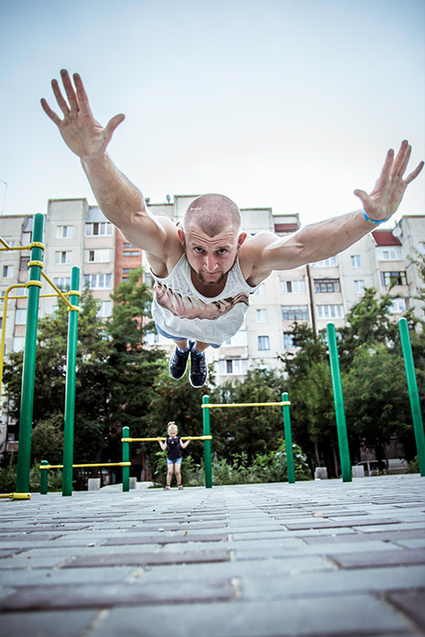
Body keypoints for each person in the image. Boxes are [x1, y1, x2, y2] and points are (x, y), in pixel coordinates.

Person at [41, 70, 424, 389]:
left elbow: (304, 246)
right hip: (171, 318)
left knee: (208, 334)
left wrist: (370, 219)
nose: (209, 265)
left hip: (219, 327)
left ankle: (198, 352)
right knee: (179, 333)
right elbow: (130, 216)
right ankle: (180, 349)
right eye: (199, 250)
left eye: (222, 251)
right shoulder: (167, 248)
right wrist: (94, 158)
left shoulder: (252, 257)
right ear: (182, 237)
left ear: (239, 242)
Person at [158, 422, 190, 490]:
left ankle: (179, 484)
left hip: (177, 457)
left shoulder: (178, 439)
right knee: (170, 472)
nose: (172, 435)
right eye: (171, 433)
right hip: (170, 458)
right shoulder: (167, 440)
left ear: (176, 432)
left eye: (174, 433)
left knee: (177, 471)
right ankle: (168, 485)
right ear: (168, 433)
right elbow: (163, 448)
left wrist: (188, 440)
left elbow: (183, 446)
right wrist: (160, 441)